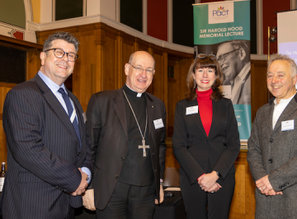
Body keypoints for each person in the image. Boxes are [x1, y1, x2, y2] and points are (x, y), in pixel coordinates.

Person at [1, 31, 92, 219]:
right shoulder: (23, 94)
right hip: (33, 205)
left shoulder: (73, 100)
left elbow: (83, 145)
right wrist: (74, 179)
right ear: (43, 57)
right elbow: (28, 150)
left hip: (66, 204)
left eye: (71, 55)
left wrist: (86, 172)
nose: (65, 59)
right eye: (59, 52)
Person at [83, 51, 166, 218]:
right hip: (112, 189)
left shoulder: (157, 105)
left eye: (149, 70)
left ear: (153, 75)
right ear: (127, 69)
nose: (144, 74)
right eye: (139, 68)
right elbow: (88, 146)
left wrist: (160, 183)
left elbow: (161, 146)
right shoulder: (102, 101)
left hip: (146, 191)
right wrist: (88, 186)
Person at [247, 54, 297, 219]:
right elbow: (253, 149)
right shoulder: (262, 112)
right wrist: (263, 180)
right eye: (270, 75)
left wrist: (273, 180)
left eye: (280, 75)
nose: (274, 80)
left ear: (294, 78)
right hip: (266, 200)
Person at [172, 54, 240, 219]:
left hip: (222, 176)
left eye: (210, 70)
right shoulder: (182, 106)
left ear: (216, 76)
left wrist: (215, 175)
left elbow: (233, 145)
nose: (205, 75)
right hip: (193, 177)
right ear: (193, 75)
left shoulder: (226, 105)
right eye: (200, 70)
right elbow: (178, 146)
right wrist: (201, 177)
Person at [216, 40, 251, 105]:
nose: (220, 64)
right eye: (218, 60)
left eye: (223, 57)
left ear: (241, 53)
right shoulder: (230, 82)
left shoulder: (254, 80)